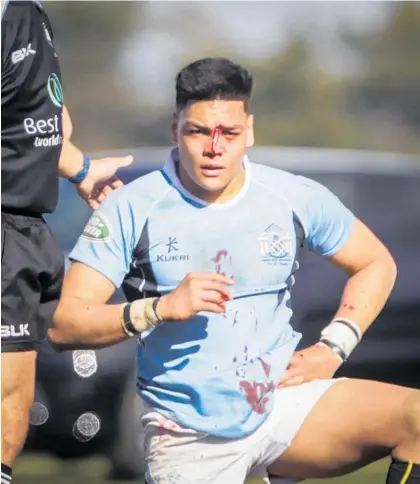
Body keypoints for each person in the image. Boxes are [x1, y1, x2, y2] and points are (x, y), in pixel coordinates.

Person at [50, 57, 420, 484]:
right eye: (199, 131)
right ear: (175, 128)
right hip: (188, 431)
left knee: (415, 418)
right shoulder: (131, 208)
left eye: (229, 133)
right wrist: (160, 307)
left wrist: (331, 349)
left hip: (282, 404)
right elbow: (65, 325)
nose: (214, 148)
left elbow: (375, 263)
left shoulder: (290, 195)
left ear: (251, 131)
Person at [1, 2, 133, 482]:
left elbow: (34, 122)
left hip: (25, 225)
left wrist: (81, 169)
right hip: (5, 221)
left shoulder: (28, 13)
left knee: (14, 398)